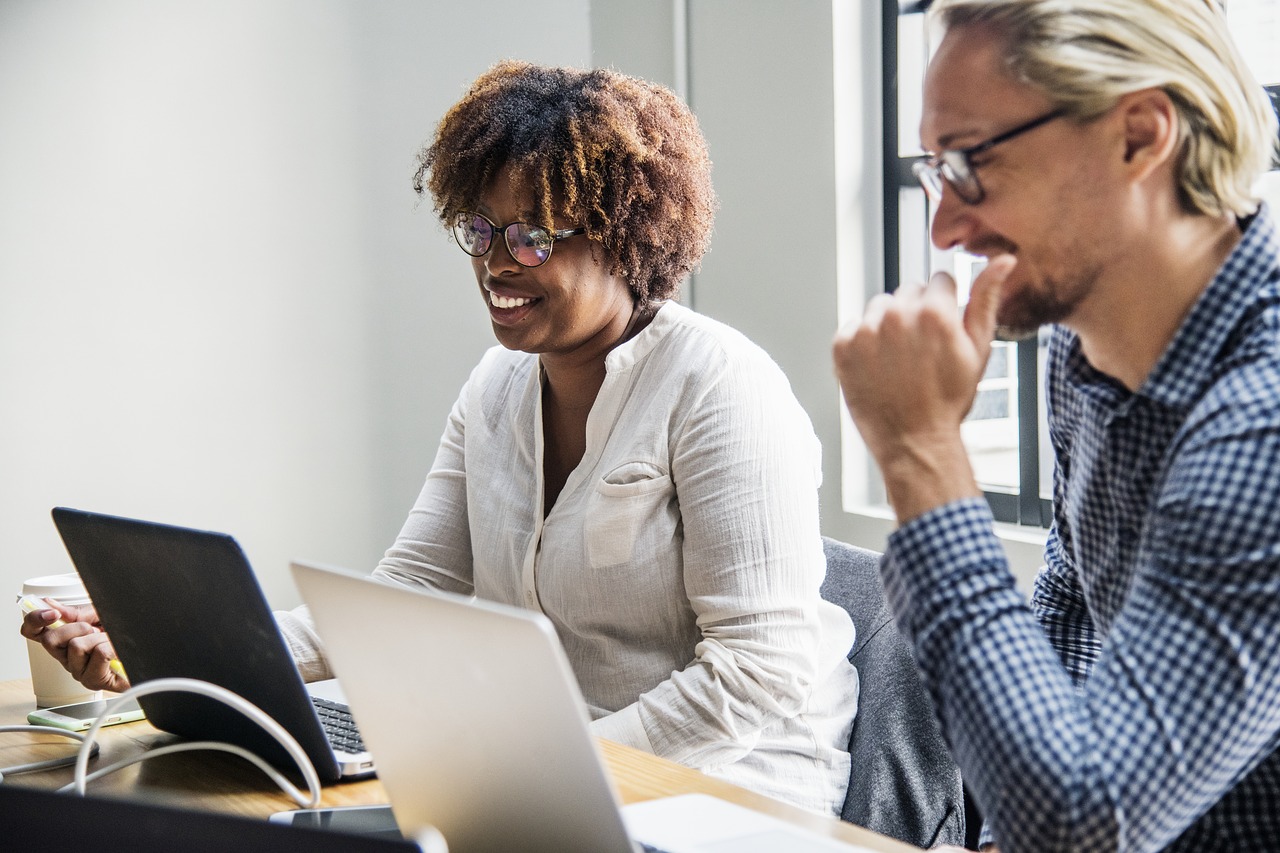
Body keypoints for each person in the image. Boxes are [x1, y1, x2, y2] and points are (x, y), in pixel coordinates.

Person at [23, 60, 860, 816]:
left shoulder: (720, 388)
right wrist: (170, 651)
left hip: (724, 781)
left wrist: (556, 767)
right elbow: (403, 595)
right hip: (534, 768)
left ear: (624, 233)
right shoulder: (495, 389)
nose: (498, 263)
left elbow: (758, 673)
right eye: (482, 229)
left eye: (534, 235)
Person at [834, 0, 1280, 850]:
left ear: (1141, 136)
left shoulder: (1262, 422)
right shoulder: (1084, 358)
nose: (944, 227)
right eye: (936, 170)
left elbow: (1084, 823)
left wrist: (922, 453)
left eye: (971, 164)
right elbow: (1073, 616)